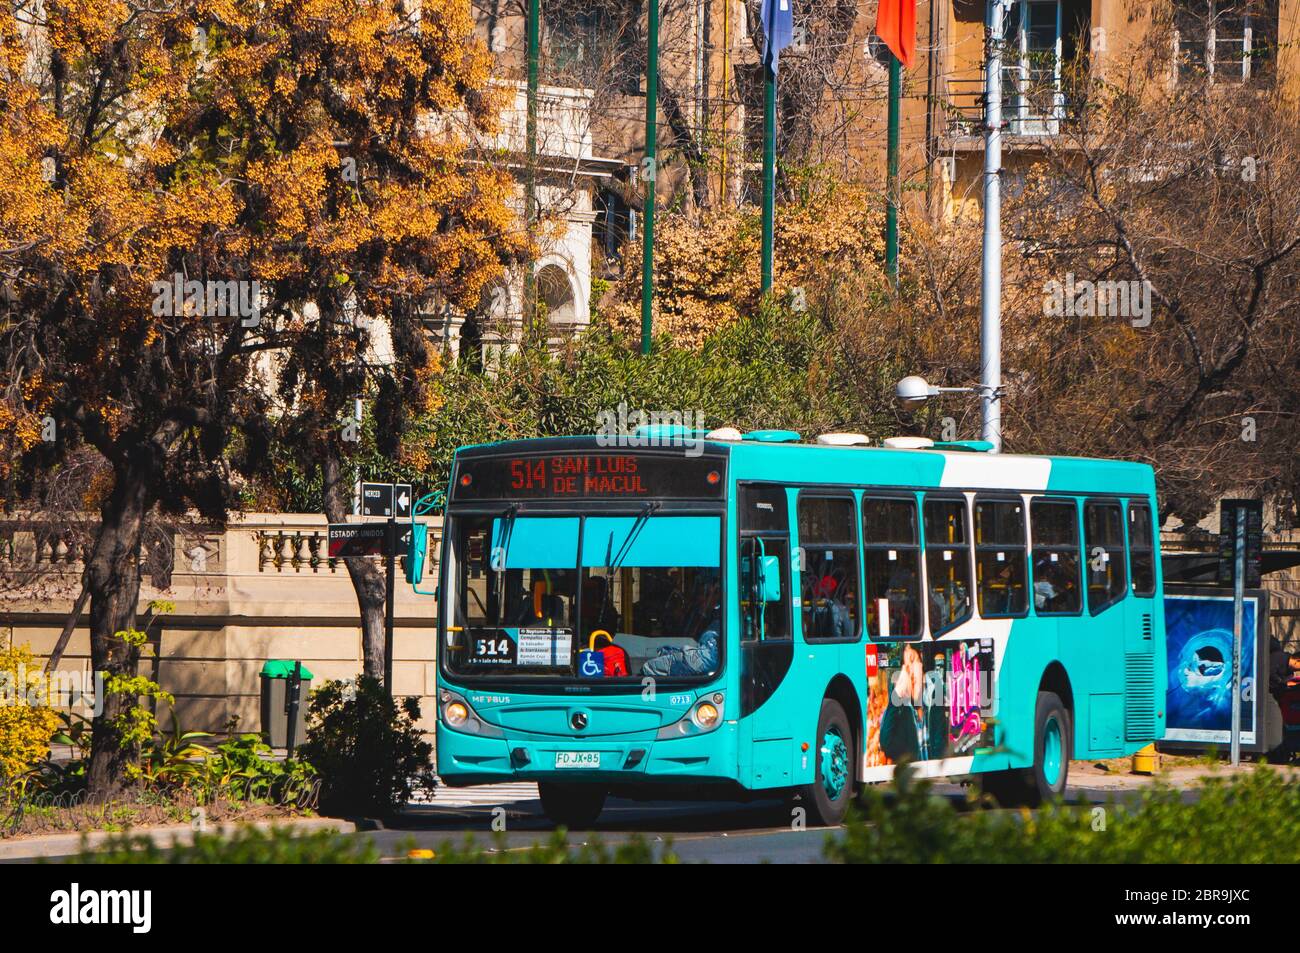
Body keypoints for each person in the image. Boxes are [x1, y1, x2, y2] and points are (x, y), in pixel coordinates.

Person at [879, 643, 948, 763]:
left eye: (912, 661)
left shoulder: (935, 695)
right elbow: (886, 744)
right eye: (906, 667)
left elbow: (942, 746)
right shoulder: (900, 708)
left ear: (921, 662)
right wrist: (897, 696)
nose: (910, 672)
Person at [641, 619, 720, 677]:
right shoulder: (717, 623)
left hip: (695, 663)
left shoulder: (724, 620)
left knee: (648, 668)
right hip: (697, 659)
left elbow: (703, 657)